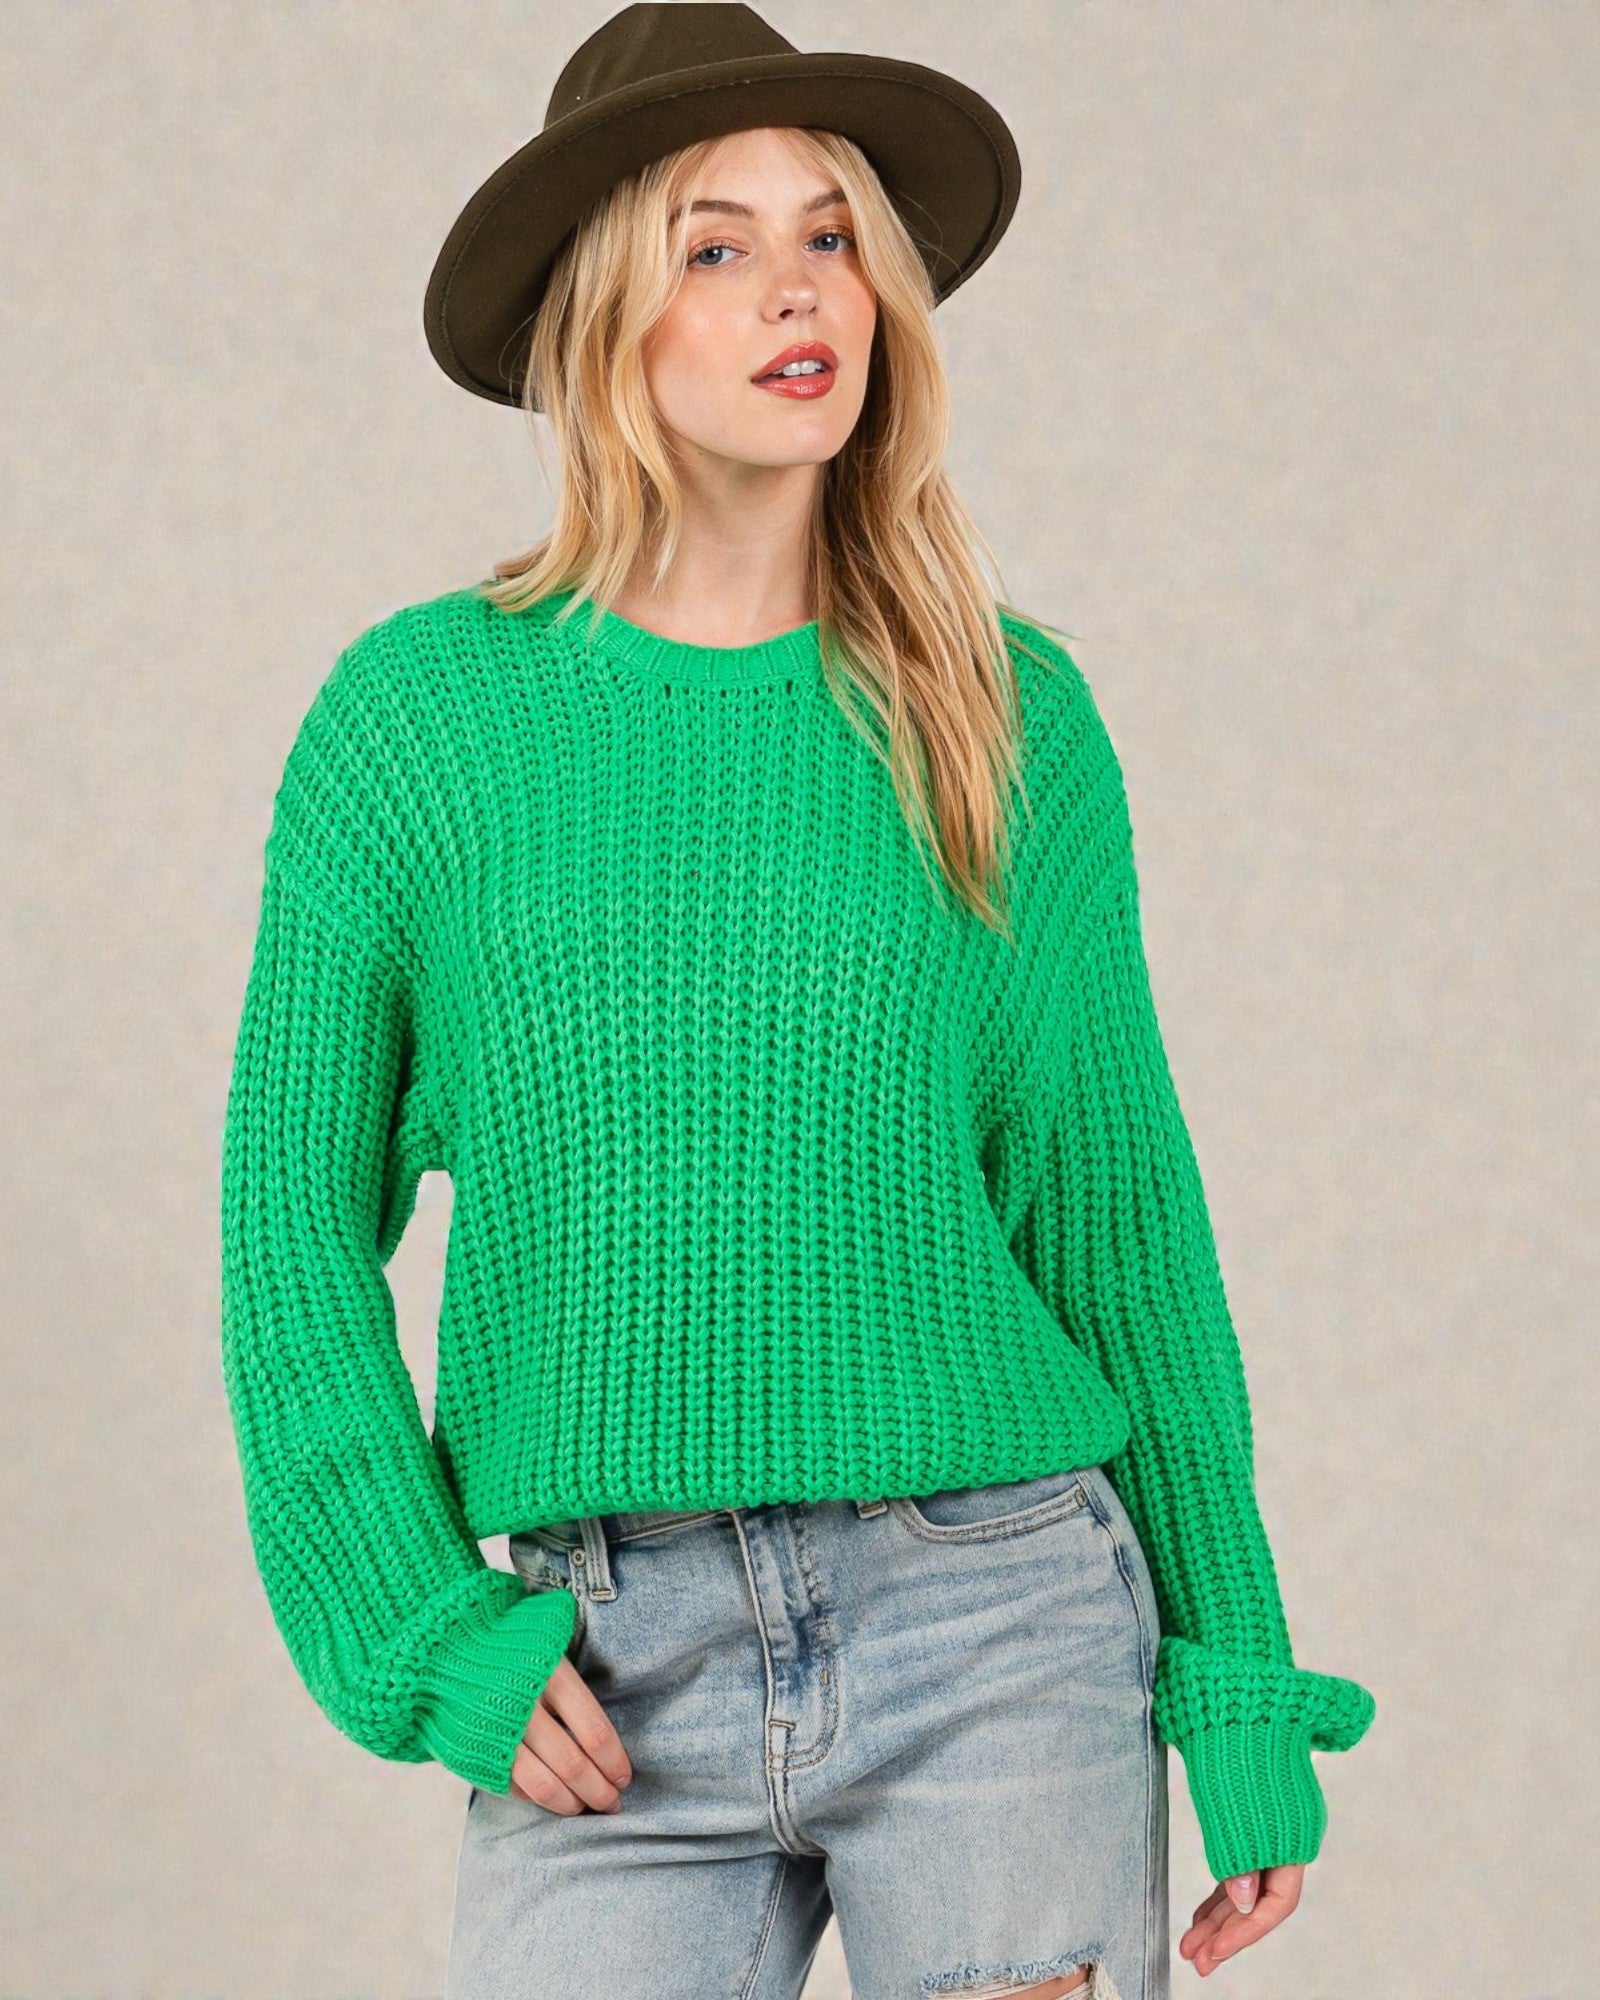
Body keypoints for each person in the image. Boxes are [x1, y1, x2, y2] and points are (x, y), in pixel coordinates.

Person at [218, 8, 1377, 1997]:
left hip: (996, 1628)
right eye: (715, 243)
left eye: (830, 236)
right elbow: (287, 1228)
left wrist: (1235, 1668)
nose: (795, 290)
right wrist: (412, 1629)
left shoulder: (1001, 717)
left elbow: (1121, 1231)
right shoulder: (415, 728)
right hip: (604, 1667)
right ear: (604, 317)